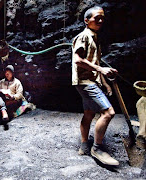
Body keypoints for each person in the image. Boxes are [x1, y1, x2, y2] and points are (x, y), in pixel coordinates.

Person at [72, 6, 119, 165]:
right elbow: (78, 60)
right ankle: (97, 148)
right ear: (86, 20)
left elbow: (95, 63)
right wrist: (101, 69)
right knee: (108, 112)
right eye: (96, 17)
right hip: (85, 82)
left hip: (91, 81)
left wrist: (105, 83)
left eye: (102, 18)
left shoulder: (94, 38)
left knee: (89, 113)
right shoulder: (83, 36)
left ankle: (84, 145)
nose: (100, 20)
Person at [0, 65, 24, 131]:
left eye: (8, 73)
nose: (7, 75)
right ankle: (4, 112)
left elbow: (20, 95)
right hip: (3, 100)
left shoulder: (17, 82)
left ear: (12, 73)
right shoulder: (1, 82)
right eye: (6, 73)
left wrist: (13, 97)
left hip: (13, 100)